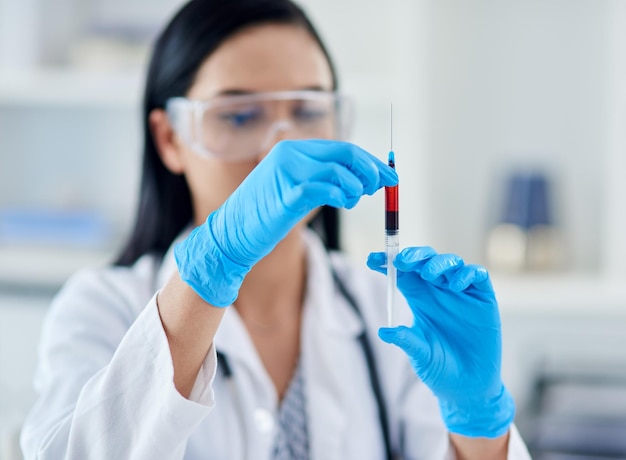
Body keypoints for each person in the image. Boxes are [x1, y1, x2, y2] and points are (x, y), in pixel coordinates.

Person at [20, 0, 531, 458]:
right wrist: (211, 266)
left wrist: (479, 423)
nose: (277, 150)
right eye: (240, 116)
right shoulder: (100, 310)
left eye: (307, 111)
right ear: (170, 138)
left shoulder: (388, 310)